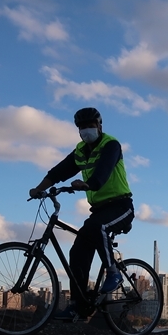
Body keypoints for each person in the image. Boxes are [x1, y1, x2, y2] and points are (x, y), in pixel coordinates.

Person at [29, 107, 134, 321]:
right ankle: (80, 305)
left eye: (90, 126)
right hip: (99, 211)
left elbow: (102, 173)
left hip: (121, 207)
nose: (86, 131)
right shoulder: (80, 151)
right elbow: (59, 172)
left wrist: (87, 184)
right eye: (82, 127)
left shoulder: (110, 145)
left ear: (99, 126)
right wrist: (39, 189)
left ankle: (113, 273)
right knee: (77, 251)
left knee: (98, 227)